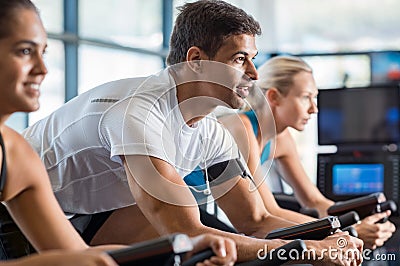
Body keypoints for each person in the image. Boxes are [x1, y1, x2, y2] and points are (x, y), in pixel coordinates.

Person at [23, 0, 363, 264]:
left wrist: (337, 239)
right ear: (197, 60)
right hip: (18, 213)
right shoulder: (139, 114)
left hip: (90, 212)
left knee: (225, 250)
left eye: (253, 59)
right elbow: (186, 232)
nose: (254, 74)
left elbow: (255, 219)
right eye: (239, 59)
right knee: (202, 247)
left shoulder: (210, 133)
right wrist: (307, 251)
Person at [0, 0, 237, 265]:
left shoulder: (17, 153)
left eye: (42, 53)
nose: (43, 70)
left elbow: (76, 253)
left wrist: (186, 247)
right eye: (23, 51)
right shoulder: (134, 111)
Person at [218, 55, 396, 250]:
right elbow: (266, 213)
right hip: (192, 216)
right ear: (274, 97)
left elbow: (315, 201)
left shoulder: (283, 139)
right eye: (305, 97)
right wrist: (346, 233)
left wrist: (360, 221)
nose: (314, 109)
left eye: (315, 97)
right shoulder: (241, 127)